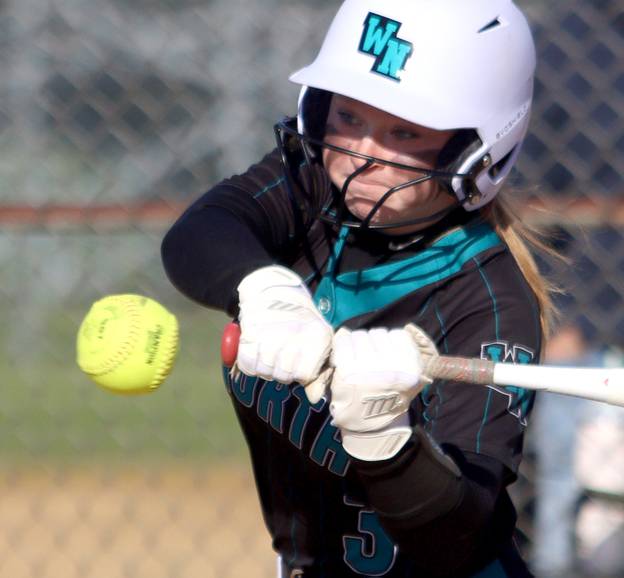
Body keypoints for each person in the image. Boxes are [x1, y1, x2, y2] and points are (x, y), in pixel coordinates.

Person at [161, 1, 553, 576]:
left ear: (477, 151)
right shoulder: (314, 187)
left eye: (404, 132)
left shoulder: (488, 304)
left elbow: (459, 541)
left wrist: (385, 439)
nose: (360, 156)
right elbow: (200, 233)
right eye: (346, 117)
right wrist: (267, 288)